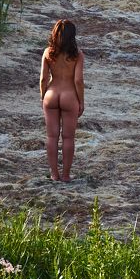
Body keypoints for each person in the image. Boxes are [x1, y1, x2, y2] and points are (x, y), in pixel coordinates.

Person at [40, 19, 85, 182]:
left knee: (51, 137)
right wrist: (81, 101)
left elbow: (43, 79)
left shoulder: (48, 52)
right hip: (69, 96)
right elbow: (78, 81)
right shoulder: (77, 54)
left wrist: (43, 96)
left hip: (51, 94)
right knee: (68, 138)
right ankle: (66, 175)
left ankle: (54, 174)